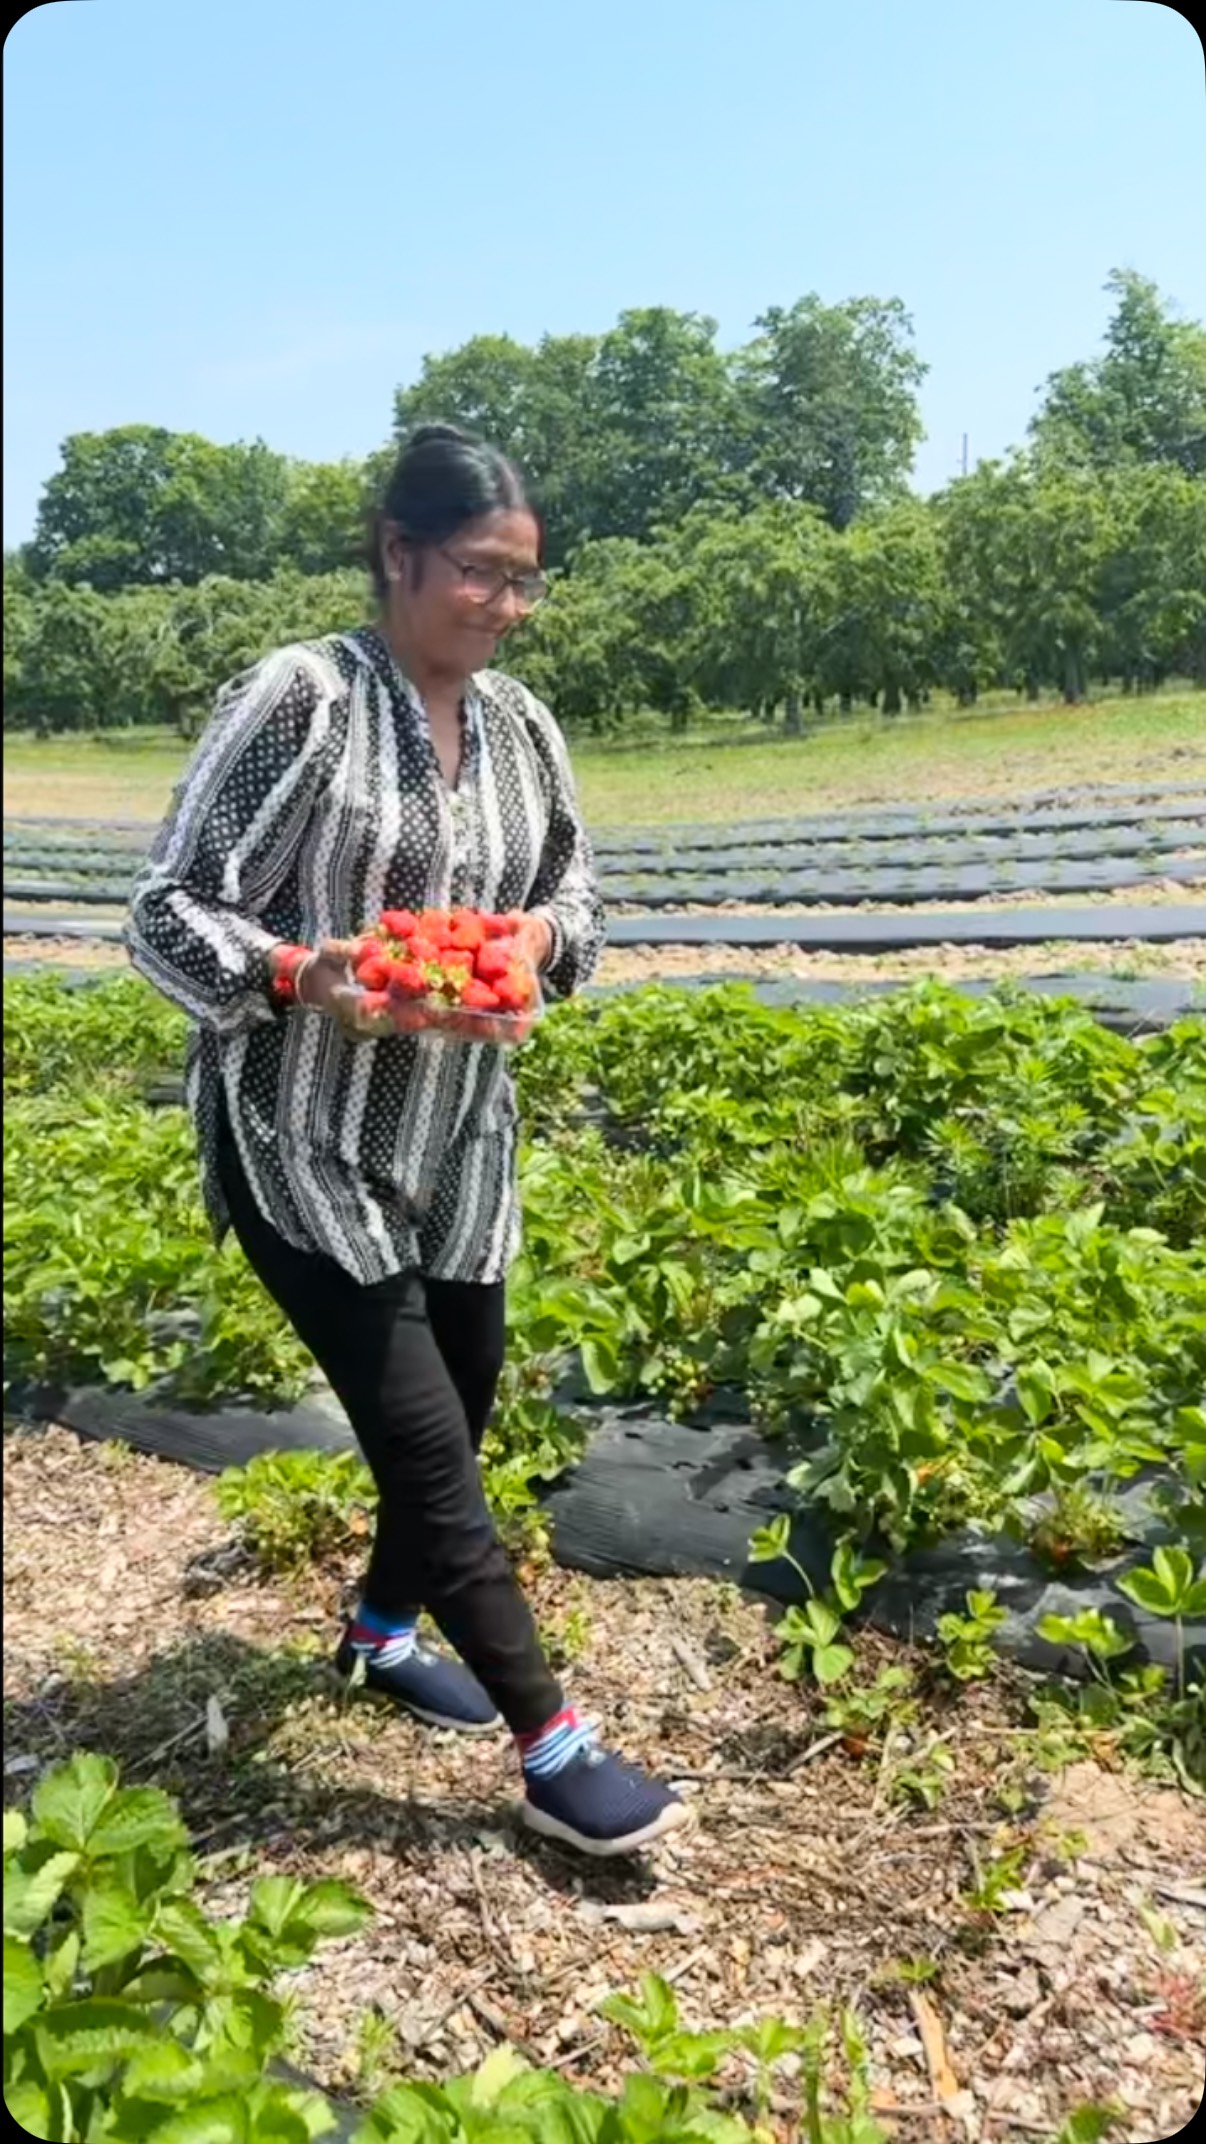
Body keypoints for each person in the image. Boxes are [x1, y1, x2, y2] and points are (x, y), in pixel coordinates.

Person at [125, 424, 686, 1858]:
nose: (502, 606)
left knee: (466, 1401)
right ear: (395, 553)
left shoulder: (523, 728)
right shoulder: (304, 698)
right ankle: (554, 1749)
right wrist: (299, 972)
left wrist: (532, 941)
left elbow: (579, 895)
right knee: (427, 1451)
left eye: (523, 583)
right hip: (300, 1134)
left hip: (459, 1141)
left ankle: (377, 1634)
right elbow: (167, 906)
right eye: (477, 575)